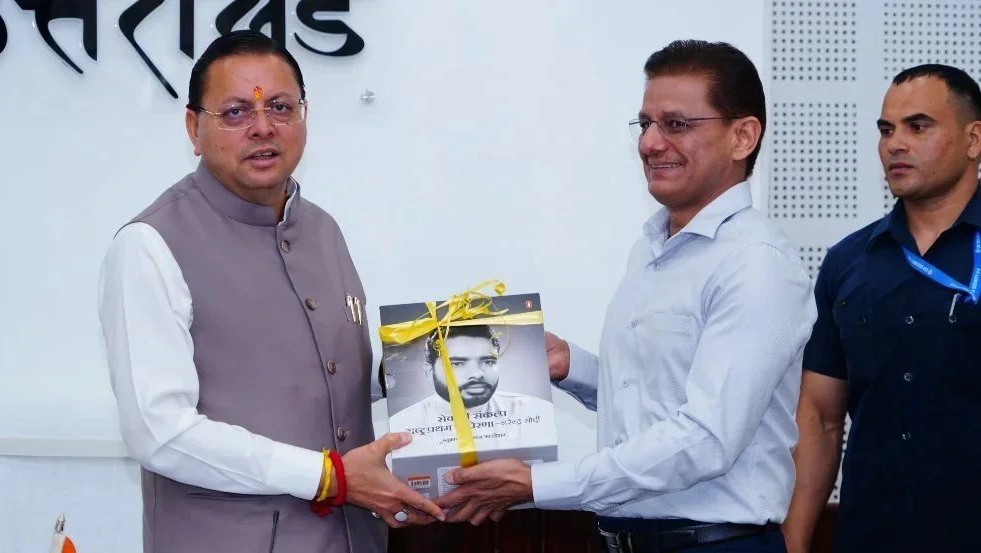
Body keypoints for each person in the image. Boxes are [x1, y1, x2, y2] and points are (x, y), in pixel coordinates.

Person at [434, 40, 816, 553]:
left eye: (676, 124)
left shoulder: (756, 264)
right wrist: (574, 369)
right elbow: (655, 403)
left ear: (742, 136)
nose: (650, 144)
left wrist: (539, 484)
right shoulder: (651, 248)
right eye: (645, 124)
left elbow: (706, 439)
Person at [97, 30, 443, 553]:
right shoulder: (150, 244)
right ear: (193, 128)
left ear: (304, 115)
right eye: (235, 112)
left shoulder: (322, 231)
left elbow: (325, 382)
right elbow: (159, 432)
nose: (263, 128)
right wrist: (327, 478)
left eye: (281, 107)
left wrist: (435, 367)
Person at [782, 64, 981, 553]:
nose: (895, 144)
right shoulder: (848, 262)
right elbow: (820, 418)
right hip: (871, 534)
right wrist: (794, 541)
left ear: (973, 139)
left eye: (918, 127)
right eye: (887, 130)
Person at [388, 325, 556, 457]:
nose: (477, 374)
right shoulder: (402, 426)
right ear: (428, 371)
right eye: (457, 364)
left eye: (488, 362)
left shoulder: (535, 412)